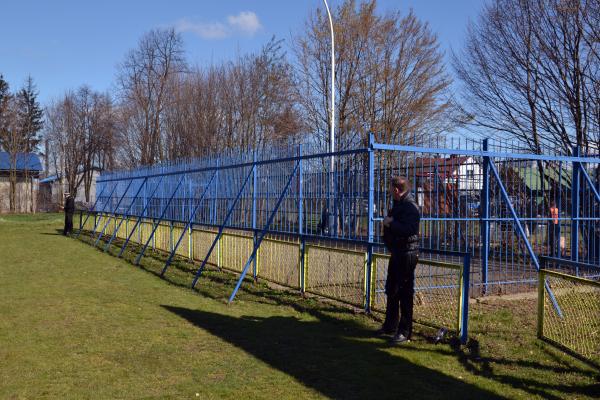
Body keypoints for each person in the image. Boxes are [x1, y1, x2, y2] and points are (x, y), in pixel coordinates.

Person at [376, 176, 421, 344]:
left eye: (390, 189)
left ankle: (405, 331)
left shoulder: (410, 206)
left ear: (396, 190)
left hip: (407, 253)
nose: (389, 192)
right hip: (397, 252)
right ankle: (390, 325)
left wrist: (390, 223)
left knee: (404, 292)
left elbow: (410, 229)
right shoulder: (399, 204)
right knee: (392, 290)